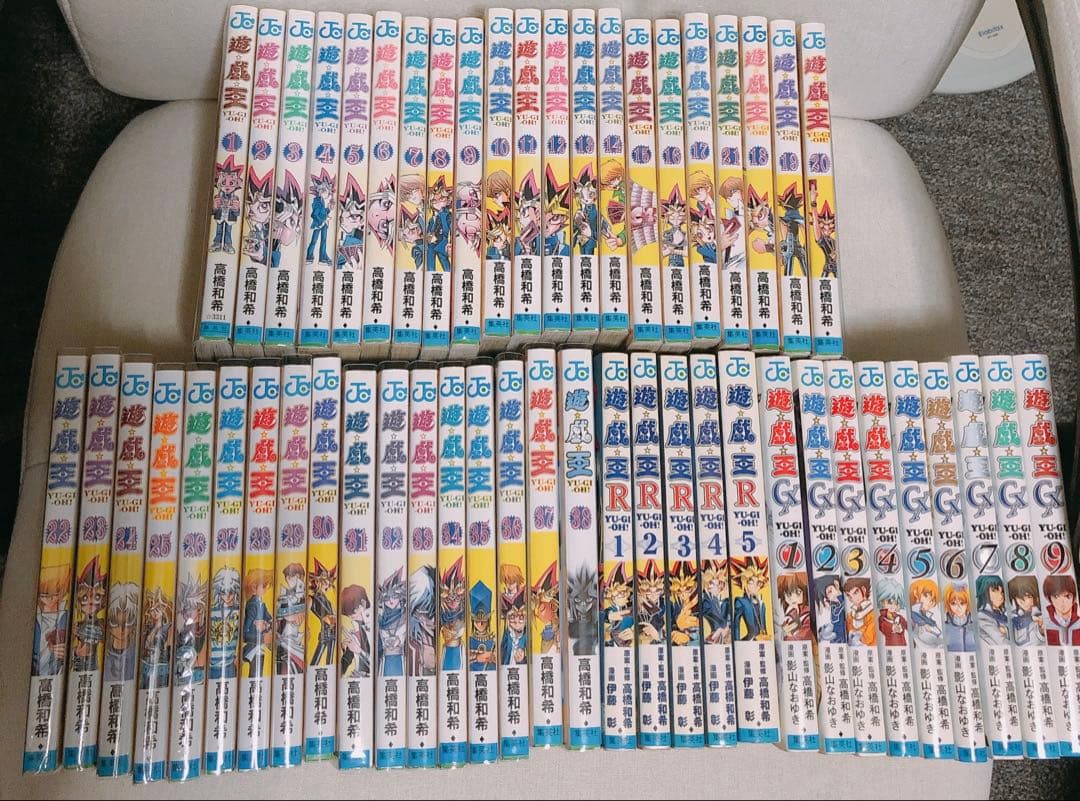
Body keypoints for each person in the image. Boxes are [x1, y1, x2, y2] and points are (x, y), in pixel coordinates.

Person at [32, 563, 72, 677]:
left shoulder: (66, 617)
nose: (49, 598)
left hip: (58, 674)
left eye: (54, 594)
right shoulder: (36, 618)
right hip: (36, 673)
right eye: (43, 594)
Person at [240, 568, 273, 677]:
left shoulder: (261, 604)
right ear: (254, 587)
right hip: (253, 645)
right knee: (255, 671)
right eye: (264, 586)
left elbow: (270, 619)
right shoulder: (252, 605)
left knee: (258, 669)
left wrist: (266, 625)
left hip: (258, 644)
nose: (266, 589)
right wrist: (262, 637)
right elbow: (245, 631)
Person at [731, 558, 769, 641]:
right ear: (745, 584)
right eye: (751, 583)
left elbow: (764, 627)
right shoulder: (741, 601)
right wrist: (737, 642)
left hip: (762, 640)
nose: (755, 586)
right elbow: (736, 626)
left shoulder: (762, 604)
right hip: (749, 640)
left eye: (758, 583)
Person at [340, 583, 372, 678]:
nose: (351, 617)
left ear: (363, 604)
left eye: (353, 613)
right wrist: (344, 649)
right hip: (359, 677)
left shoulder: (376, 626)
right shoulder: (356, 632)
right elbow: (346, 661)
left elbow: (379, 662)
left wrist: (359, 651)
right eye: (349, 615)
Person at [1044, 575, 1080, 646]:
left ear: (1074, 597)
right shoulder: (1046, 625)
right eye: (1056, 596)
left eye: (1067, 596)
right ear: (1049, 598)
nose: (1062, 602)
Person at [976, 574, 1010, 645]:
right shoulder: (982, 617)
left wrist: (1007, 630)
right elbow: (1002, 642)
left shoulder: (1001, 615)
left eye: (1002, 592)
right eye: (995, 590)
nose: (1001, 596)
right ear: (984, 592)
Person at [909, 578, 943, 648]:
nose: (931, 603)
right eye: (928, 598)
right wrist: (923, 624)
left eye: (933, 600)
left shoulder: (929, 614)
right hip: (921, 645)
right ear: (916, 594)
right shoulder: (913, 613)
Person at [776, 572, 811, 641]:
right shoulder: (790, 611)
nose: (793, 598)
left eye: (798, 592)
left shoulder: (807, 614)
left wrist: (789, 635)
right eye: (788, 594)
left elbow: (804, 635)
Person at [944, 583, 976, 653]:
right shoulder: (945, 626)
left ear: (968, 603)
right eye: (953, 603)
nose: (958, 607)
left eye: (962, 603)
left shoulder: (974, 625)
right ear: (948, 604)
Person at [876, 578, 908, 647]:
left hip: (903, 646)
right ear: (882, 602)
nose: (893, 606)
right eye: (889, 602)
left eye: (896, 603)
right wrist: (893, 627)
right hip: (891, 647)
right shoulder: (882, 619)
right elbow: (883, 627)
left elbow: (907, 625)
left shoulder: (899, 617)